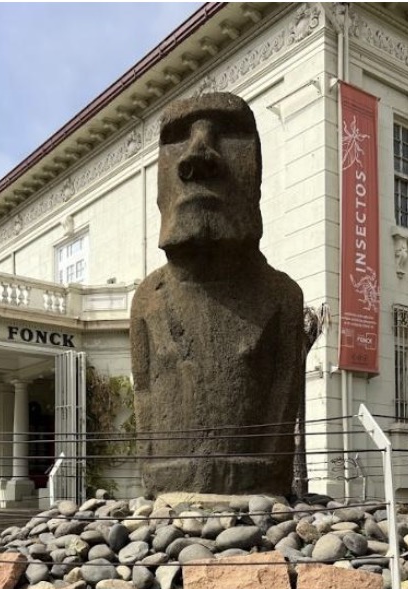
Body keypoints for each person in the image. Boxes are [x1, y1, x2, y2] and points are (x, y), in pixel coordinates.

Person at [130, 92, 306, 496]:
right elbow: (145, 402)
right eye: (177, 138)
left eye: (229, 135)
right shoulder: (147, 299)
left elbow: (279, 423)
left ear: (258, 174)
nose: (198, 155)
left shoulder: (282, 297)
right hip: (168, 492)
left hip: (259, 494)